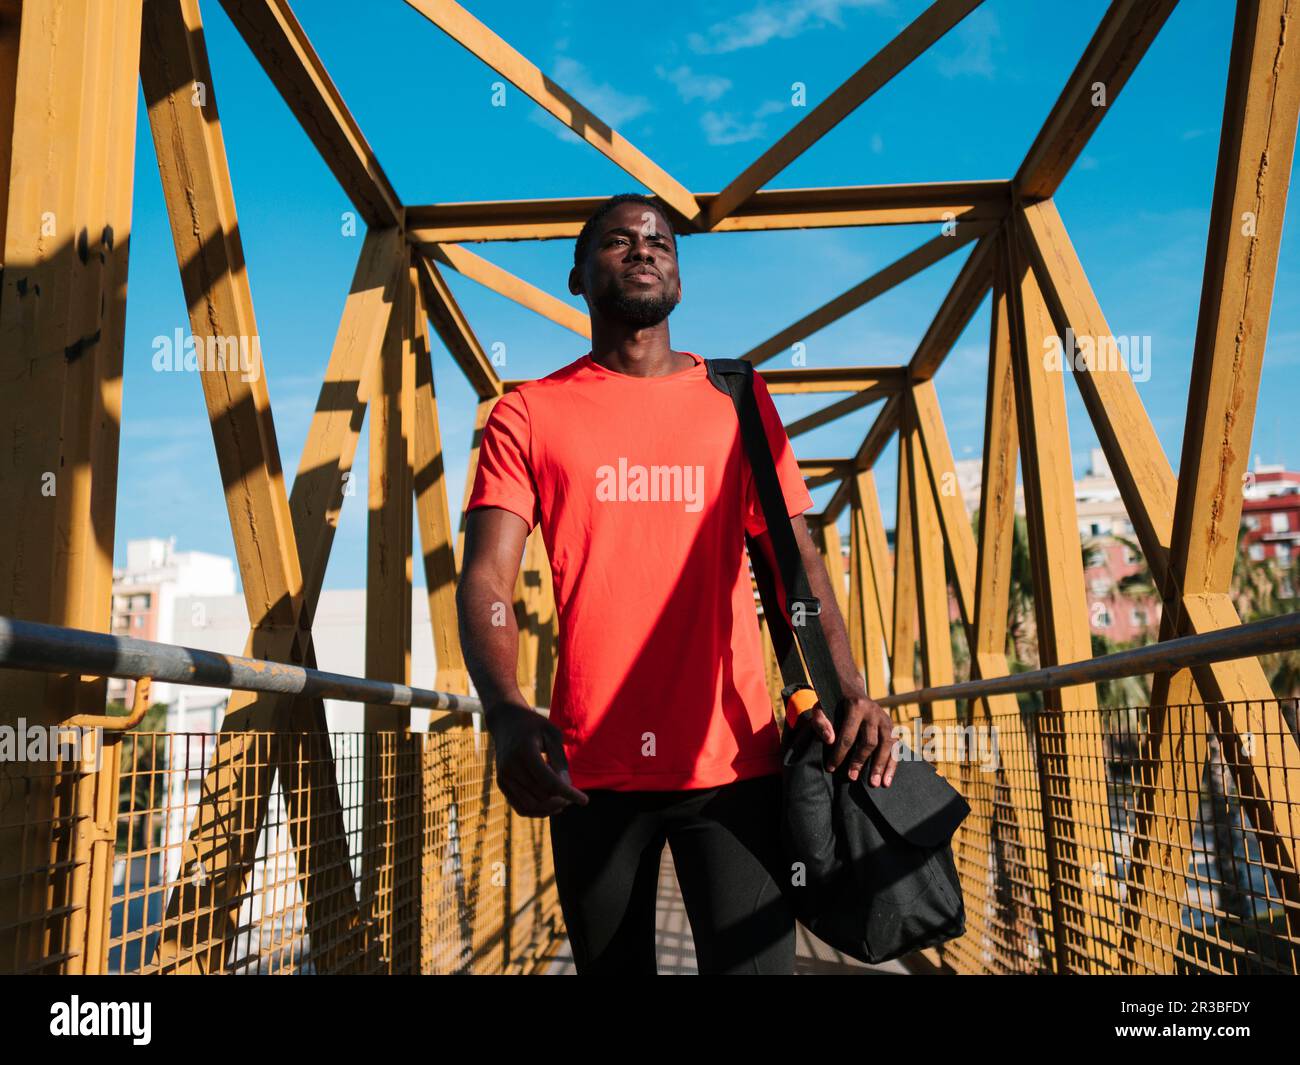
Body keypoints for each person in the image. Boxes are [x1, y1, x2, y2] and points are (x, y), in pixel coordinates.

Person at [456, 192, 897, 975]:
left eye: (660, 240)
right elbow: (487, 574)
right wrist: (505, 707)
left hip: (738, 770)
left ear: (681, 280)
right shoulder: (527, 413)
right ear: (576, 277)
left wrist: (851, 685)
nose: (644, 248)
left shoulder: (737, 399)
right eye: (618, 242)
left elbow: (799, 565)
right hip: (586, 776)